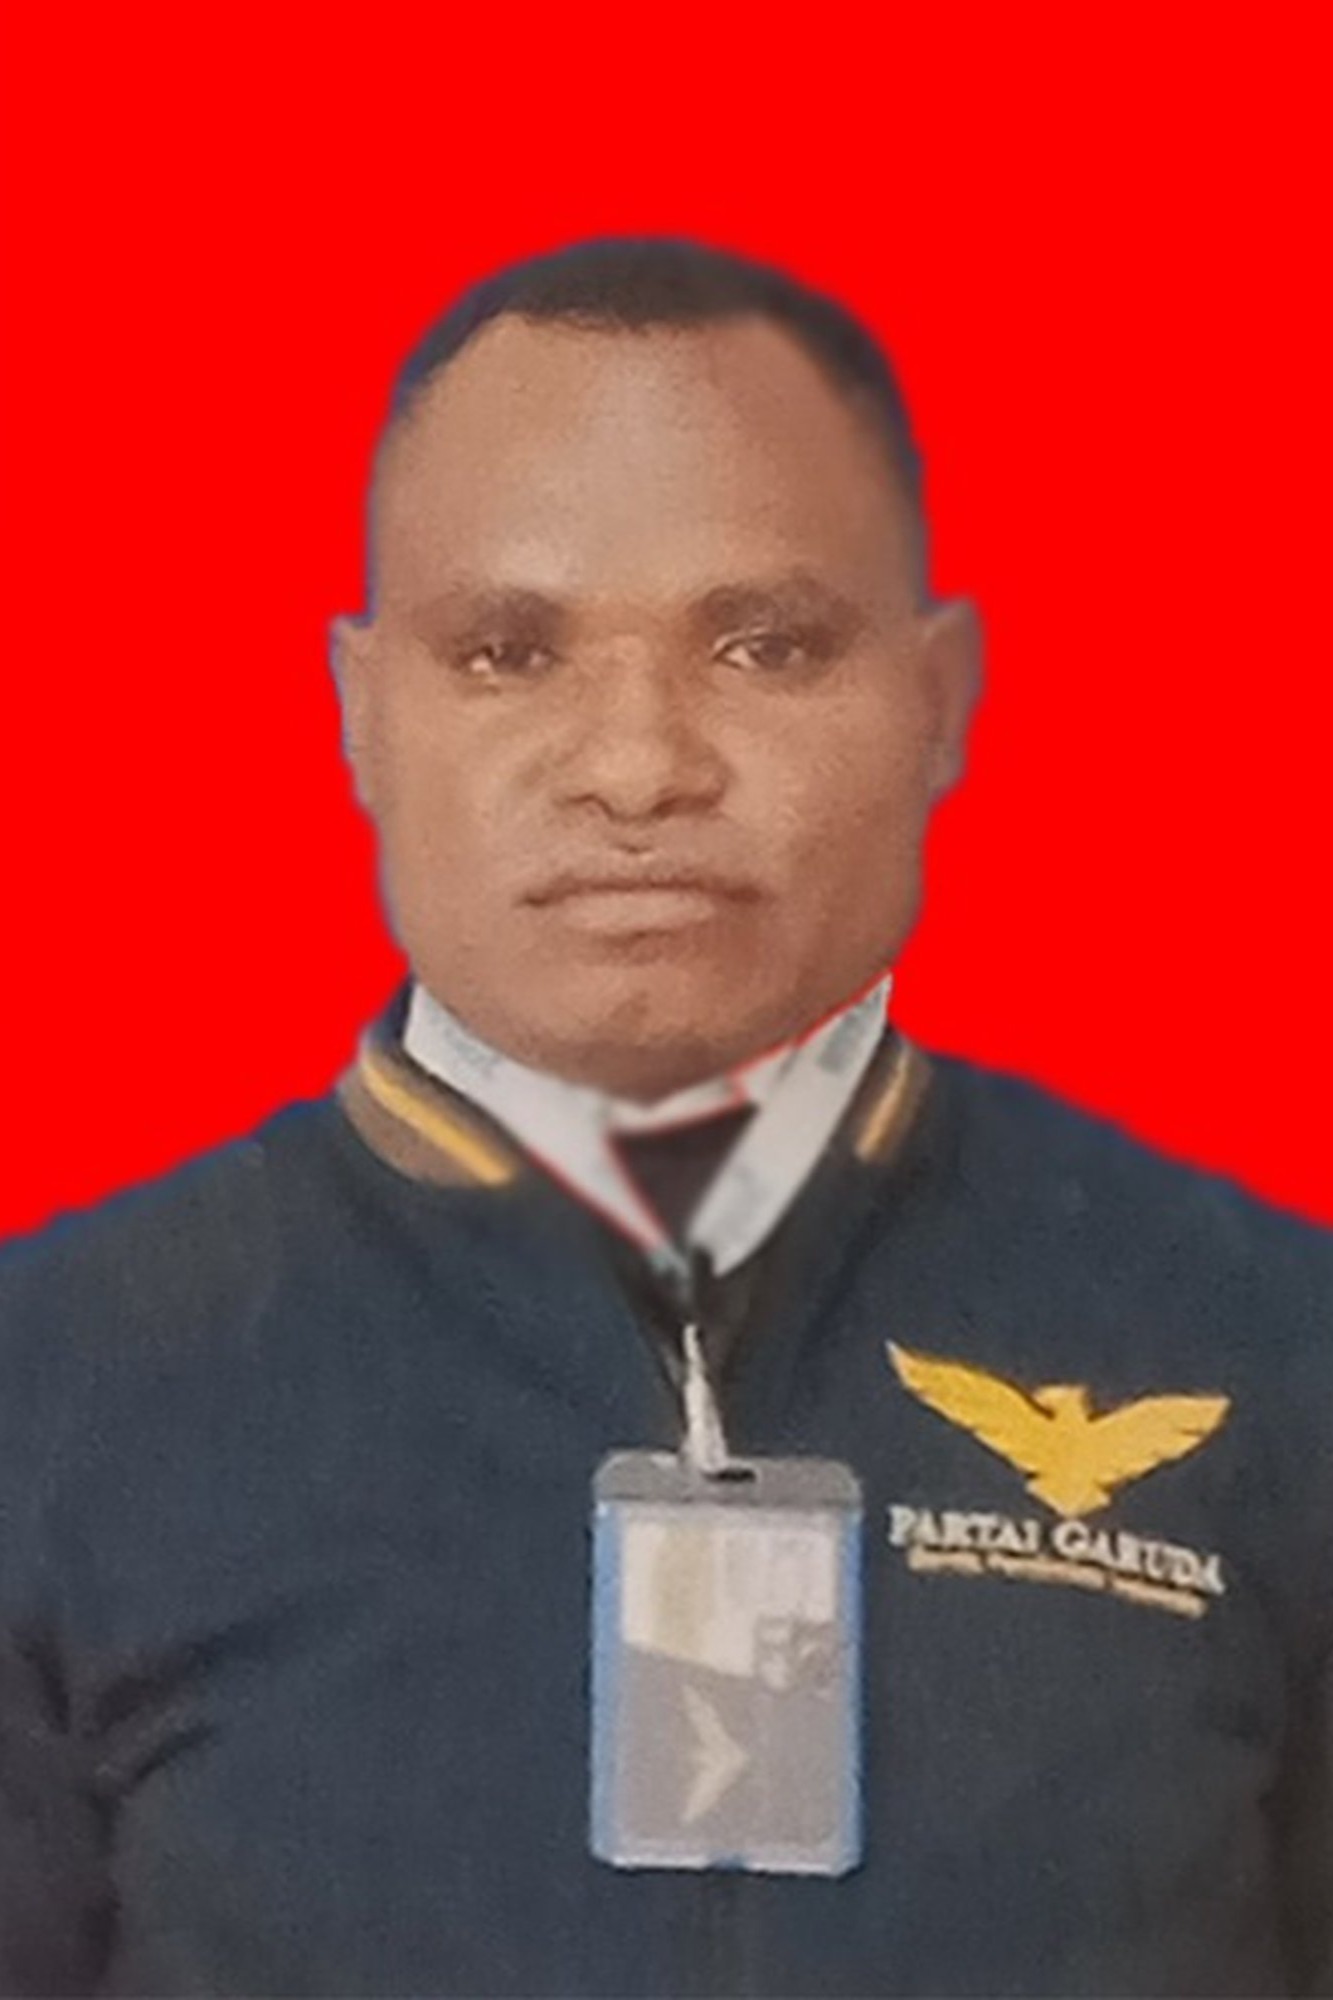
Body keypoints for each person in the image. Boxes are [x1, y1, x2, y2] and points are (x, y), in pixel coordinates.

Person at [0, 234, 1329, 1999]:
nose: (635, 766)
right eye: (505, 652)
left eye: (764, 646)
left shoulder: (1277, 1349)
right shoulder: (51, 1383)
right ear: (360, 716)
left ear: (937, 702)